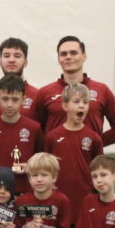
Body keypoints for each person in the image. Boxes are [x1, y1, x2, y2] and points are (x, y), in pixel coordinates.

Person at [37, 36, 115, 147]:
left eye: (73, 53)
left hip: (89, 157)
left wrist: (93, 144)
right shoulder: (44, 93)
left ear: (84, 56)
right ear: (58, 59)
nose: (68, 57)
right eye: (63, 54)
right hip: (54, 157)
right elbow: (35, 131)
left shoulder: (102, 90)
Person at [44, 83, 103, 215]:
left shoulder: (94, 138)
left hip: (84, 200)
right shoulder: (52, 137)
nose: (82, 106)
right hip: (57, 200)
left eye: (85, 102)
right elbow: (46, 169)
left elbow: (99, 171)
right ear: (65, 106)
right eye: (76, 101)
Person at [0, 74, 43, 195]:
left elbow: (41, 159)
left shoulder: (34, 128)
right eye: (5, 99)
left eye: (15, 99)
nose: (10, 104)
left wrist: (30, 166)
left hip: (25, 190)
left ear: (24, 99)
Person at [0, 38, 39, 119]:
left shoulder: (38, 95)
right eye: (6, 56)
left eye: (17, 56)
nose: (11, 60)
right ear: (0, 62)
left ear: (25, 62)